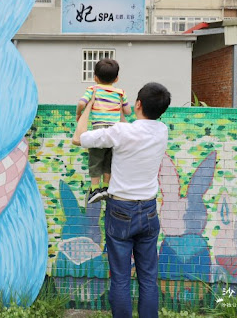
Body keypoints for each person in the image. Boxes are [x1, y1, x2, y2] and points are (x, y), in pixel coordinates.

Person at [72, 82, 171, 318]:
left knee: (120, 277)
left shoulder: (120, 132)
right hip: (148, 210)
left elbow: (79, 138)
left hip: (120, 211)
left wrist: (90, 106)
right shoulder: (162, 130)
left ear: (138, 104)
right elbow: (134, 128)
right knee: (148, 277)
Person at [75, 58, 132, 206]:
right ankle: (107, 187)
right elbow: (128, 111)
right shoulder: (120, 92)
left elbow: (81, 103)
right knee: (109, 159)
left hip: (98, 130)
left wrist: (79, 113)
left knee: (95, 159)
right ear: (117, 78)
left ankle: (95, 189)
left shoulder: (93, 89)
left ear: (95, 77)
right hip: (115, 131)